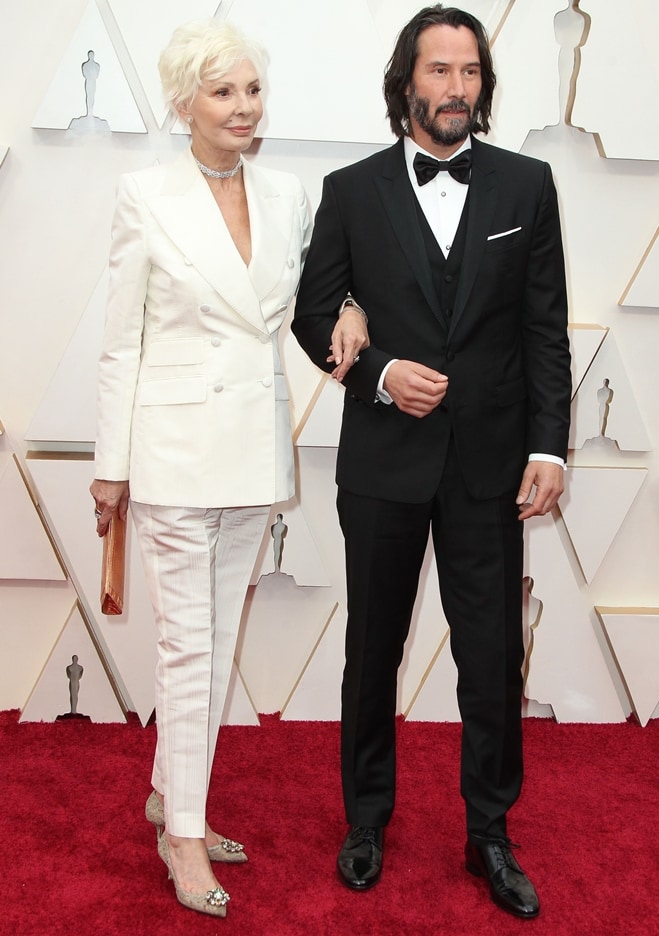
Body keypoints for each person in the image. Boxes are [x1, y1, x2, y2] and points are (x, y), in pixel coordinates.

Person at [292, 5, 571, 920]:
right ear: (405, 81)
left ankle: (489, 831)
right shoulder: (351, 189)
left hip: (492, 465)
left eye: (470, 72)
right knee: (371, 651)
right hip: (383, 463)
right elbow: (311, 313)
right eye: (439, 70)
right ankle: (365, 818)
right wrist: (375, 374)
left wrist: (547, 445)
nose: (456, 88)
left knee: (490, 660)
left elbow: (544, 331)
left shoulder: (528, 188)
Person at [90, 19, 311, 918]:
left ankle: (168, 795)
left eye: (252, 89)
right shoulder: (145, 195)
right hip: (174, 453)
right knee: (188, 649)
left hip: (254, 452)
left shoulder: (291, 193)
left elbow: (315, 297)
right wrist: (113, 467)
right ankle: (183, 831)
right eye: (223, 92)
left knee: (215, 647)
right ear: (184, 103)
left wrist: (356, 314)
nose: (243, 108)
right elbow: (120, 341)